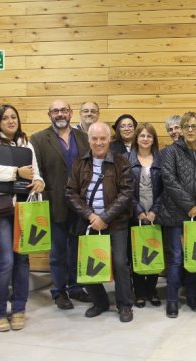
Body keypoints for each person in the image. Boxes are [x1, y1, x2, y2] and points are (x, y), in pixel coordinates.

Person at [0, 104, 45, 332]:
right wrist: (15, 172)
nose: (11, 121)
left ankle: (19, 308)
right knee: (5, 261)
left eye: (14, 117)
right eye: (5, 118)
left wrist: (39, 180)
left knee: (22, 259)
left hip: (21, 208)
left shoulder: (25, 142)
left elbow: (34, 171)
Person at [65, 122, 135, 322]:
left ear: (109, 140)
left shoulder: (121, 162)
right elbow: (70, 192)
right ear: (88, 140)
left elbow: (126, 192)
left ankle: (124, 305)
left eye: (102, 138)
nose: (98, 142)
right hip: (87, 223)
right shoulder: (79, 163)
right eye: (94, 139)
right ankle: (100, 302)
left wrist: (105, 217)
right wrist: (90, 215)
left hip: (116, 223)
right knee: (88, 264)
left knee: (120, 263)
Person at [30, 99, 91, 309]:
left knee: (76, 249)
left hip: (80, 206)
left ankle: (75, 287)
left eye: (63, 110)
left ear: (71, 113)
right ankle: (58, 291)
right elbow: (36, 172)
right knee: (57, 253)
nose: (60, 114)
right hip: (54, 204)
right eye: (55, 111)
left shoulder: (84, 138)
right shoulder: (38, 139)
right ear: (49, 115)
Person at [156, 111, 196, 318]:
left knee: (195, 258)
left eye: (194, 126)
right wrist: (190, 206)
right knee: (176, 258)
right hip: (177, 214)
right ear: (180, 130)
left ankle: (191, 297)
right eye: (186, 127)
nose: (190, 130)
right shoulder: (171, 152)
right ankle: (172, 301)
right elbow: (169, 181)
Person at [127, 123, 163, 308]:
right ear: (136, 138)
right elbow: (125, 190)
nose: (145, 139)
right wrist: (139, 211)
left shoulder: (160, 160)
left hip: (155, 214)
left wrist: (154, 210)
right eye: (142, 136)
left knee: (154, 251)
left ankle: (152, 290)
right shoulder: (127, 159)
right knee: (138, 254)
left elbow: (165, 190)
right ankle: (140, 292)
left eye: (149, 136)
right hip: (136, 215)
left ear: (153, 139)